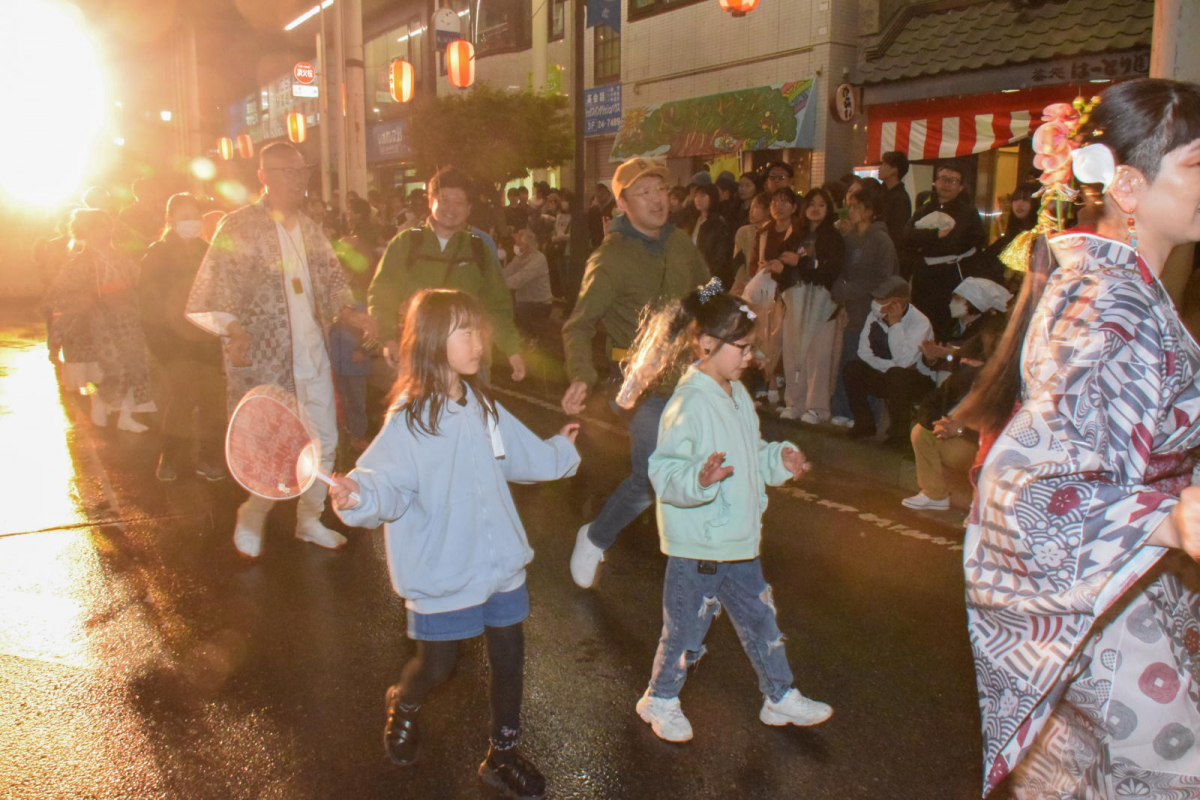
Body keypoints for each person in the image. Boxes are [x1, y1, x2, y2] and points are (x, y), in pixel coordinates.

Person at [958, 78, 1200, 798]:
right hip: (1098, 589)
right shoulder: (1106, 301)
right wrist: (1167, 515)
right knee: (1173, 770)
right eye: (1196, 163)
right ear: (1127, 184)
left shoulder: (1119, 289)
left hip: (1121, 580)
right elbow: (1032, 484)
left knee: (1083, 776)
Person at [329, 289, 579, 798]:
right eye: (463, 331)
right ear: (430, 340)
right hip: (444, 571)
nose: (477, 341)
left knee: (509, 656)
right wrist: (358, 496)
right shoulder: (410, 419)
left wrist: (560, 450)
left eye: (478, 328)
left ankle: (502, 756)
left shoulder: (480, 403)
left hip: (500, 563)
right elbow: (383, 486)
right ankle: (405, 699)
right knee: (437, 665)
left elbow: (518, 455)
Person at [613, 283, 831, 742]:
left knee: (760, 619)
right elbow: (665, 469)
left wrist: (779, 461)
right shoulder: (689, 402)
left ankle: (779, 695)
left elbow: (749, 454)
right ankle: (660, 698)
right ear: (706, 343)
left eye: (752, 347)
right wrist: (700, 478)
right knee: (687, 629)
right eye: (743, 347)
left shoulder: (735, 394)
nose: (750, 356)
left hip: (737, 539)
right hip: (700, 543)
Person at [186, 142, 376, 558]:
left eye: (302, 172)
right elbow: (218, 288)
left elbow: (330, 282)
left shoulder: (309, 228)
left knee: (323, 439)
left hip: (312, 355)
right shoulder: (238, 227)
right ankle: (252, 515)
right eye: (288, 172)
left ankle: (309, 520)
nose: (298, 180)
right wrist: (233, 330)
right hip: (265, 360)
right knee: (271, 444)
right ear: (263, 177)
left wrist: (352, 315)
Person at [561, 156, 710, 589]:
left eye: (660, 190)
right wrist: (580, 375)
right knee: (650, 476)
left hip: (692, 377)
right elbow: (580, 324)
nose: (656, 199)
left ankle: (697, 557)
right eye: (643, 192)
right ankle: (594, 537)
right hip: (641, 386)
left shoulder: (681, 243)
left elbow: (709, 285)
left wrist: (723, 306)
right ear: (622, 203)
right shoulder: (609, 259)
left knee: (702, 467)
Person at [368, 166, 523, 380]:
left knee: (473, 413)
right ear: (431, 202)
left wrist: (512, 349)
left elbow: (497, 306)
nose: (451, 208)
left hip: (469, 366)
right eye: (445, 199)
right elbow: (382, 294)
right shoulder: (405, 243)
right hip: (418, 360)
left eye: (459, 202)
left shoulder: (479, 249)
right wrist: (388, 339)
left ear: (469, 208)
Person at [139, 193, 226, 480]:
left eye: (194, 216)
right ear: (170, 219)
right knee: (181, 401)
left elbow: (217, 294)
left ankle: (209, 458)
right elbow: (148, 303)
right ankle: (171, 457)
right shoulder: (157, 253)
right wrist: (161, 346)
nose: (190, 222)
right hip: (173, 343)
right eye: (183, 216)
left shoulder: (206, 250)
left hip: (206, 340)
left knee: (212, 402)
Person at [902, 280, 1009, 511]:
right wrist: (937, 422)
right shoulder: (964, 364)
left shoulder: (1000, 387)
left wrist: (960, 429)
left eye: (958, 299)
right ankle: (935, 493)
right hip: (959, 437)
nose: (966, 364)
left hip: (983, 448)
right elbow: (936, 399)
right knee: (921, 432)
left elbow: (996, 428)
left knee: (986, 456)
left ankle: (980, 508)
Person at [49, 208, 155, 432]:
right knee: (109, 368)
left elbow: (138, 282)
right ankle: (100, 401)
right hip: (96, 323)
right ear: (85, 232)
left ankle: (126, 415)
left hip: (127, 318)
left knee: (134, 363)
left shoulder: (122, 257)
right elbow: (65, 298)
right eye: (98, 228)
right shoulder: (77, 264)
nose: (104, 233)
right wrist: (58, 337)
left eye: (106, 227)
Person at [766, 188, 845, 422]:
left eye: (821, 204)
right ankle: (795, 402)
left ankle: (818, 408)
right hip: (795, 301)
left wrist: (801, 262)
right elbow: (785, 264)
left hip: (821, 305)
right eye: (811, 204)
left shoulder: (832, 236)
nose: (815, 209)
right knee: (792, 354)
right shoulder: (797, 234)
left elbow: (831, 270)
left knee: (817, 356)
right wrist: (780, 268)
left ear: (828, 209)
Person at [830, 179, 898, 427]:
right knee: (846, 358)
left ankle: (863, 415)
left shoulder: (881, 240)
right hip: (850, 307)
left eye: (858, 206)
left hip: (868, 310)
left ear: (870, 210)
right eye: (852, 205)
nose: (852, 210)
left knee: (864, 360)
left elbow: (883, 279)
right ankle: (843, 409)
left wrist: (849, 290)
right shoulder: (851, 236)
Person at [842, 276, 934, 446]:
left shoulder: (920, 322)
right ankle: (864, 423)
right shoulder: (874, 315)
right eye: (876, 298)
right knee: (852, 368)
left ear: (898, 303)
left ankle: (899, 434)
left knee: (898, 375)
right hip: (888, 373)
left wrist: (895, 324)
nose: (876, 303)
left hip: (917, 380)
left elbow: (904, 361)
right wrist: (888, 367)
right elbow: (863, 352)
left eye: (882, 299)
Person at [902, 161, 984, 338]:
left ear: (961, 187)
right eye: (943, 179)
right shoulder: (924, 209)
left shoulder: (969, 213)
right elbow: (907, 237)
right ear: (935, 182)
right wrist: (936, 236)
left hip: (952, 277)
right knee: (919, 325)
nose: (947, 184)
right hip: (924, 279)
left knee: (946, 328)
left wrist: (925, 243)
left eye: (953, 181)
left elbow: (958, 243)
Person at [973, 181, 1040, 283]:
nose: (1019, 204)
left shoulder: (1040, 238)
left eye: (1026, 199)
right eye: (1016, 199)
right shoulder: (1007, 239)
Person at [329, 302, 372, 451]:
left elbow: (374, 333)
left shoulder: (360, 307)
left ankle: (359, 437)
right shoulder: (333, 313)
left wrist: (363, 351)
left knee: (357, 403)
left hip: (356, 369)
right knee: (339, 404)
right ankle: (344, 437)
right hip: (336, 369)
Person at [503, 229, 553, 344]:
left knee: (519, 311)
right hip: (524, 302)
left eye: (519, 244)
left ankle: (533, 338)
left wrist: (499, 284)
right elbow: (507, 272)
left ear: (527, 246)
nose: (516, 246)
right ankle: (525, 336)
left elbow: (521, 278)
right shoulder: (518, 259)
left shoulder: (539, 259)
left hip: (539, 304)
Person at [684, 183, 734, 287]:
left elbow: (720, 259)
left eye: (703, 195)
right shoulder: (693, 221)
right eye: (696, 196)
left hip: (711, 279)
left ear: (712, 197)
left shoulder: (718, 224)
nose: (698, 199)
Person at [730, 191, 771, 297]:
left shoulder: (773, 232)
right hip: (744, 283)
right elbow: (738, 261)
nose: (751, 211)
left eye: (756, 207)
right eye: (751, 207)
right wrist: (743, 281)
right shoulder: (743, 232)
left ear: (768, 211)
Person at [878, 151, 912, 249]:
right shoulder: (878, 192)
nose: (879, 168)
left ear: (894, 170)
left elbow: (897, 232)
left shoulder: (901, 198)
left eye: (884, 164)